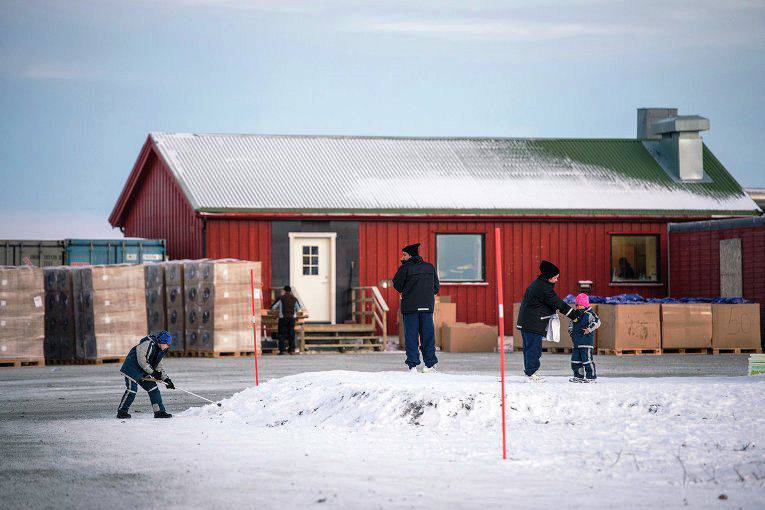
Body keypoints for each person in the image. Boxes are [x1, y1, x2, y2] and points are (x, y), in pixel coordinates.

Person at [516, 260, 580, 381]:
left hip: (530, 322)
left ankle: (531, 372)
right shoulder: (543, 288)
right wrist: (573, 315)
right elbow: (557, 303)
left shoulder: (540, 284)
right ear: (549, 277)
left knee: (532, 348)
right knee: (533, 349)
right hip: (531, 323)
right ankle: (531, 373)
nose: (557, 280)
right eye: (555, 277)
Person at [392, 243, 440, 373]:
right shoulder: (430, 267)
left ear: (410, 255)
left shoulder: (405, 268)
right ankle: (430, 364)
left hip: (410, 309)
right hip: (427, 308)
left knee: (412, 337)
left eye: (404, 255)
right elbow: (436, 287)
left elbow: (397, 285)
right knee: (428, 336)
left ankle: (412, 366)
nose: (402, 257)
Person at [117, 330, 175, 419]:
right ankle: (122, 412)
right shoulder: (148, 344)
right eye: (167, 344)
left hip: (144, 371)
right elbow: (142, 361)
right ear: (161, 341)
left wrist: (166, 380)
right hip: (132, 369)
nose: (168, 346)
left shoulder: (161, 351)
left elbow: (159, 368)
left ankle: (159, 412)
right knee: (132, 390)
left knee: (153, 389)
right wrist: (153, 373)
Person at [569, 293, 600, 383]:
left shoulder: (590, 314)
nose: (578, 307)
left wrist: (589, 329)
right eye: (577, 305)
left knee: (587, 360)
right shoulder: (575, 314)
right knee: (575, 361)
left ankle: (591, 377)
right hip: (576, 342)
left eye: (580, 305)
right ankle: (578, 376)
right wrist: (571, 332)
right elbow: (571, 324)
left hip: (586, 342)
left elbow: (597, 322)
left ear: (585, 304)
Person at [271, 285, 301, 354]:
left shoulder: (281, 298)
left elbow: (273, 307)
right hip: (291, 318)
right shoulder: (294, 299)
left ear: (284, 291)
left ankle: (282, 350)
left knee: (282, 334)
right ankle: (292, 350)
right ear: (290, 291)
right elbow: (298, 309)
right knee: (291, 334)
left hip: (283, 318)